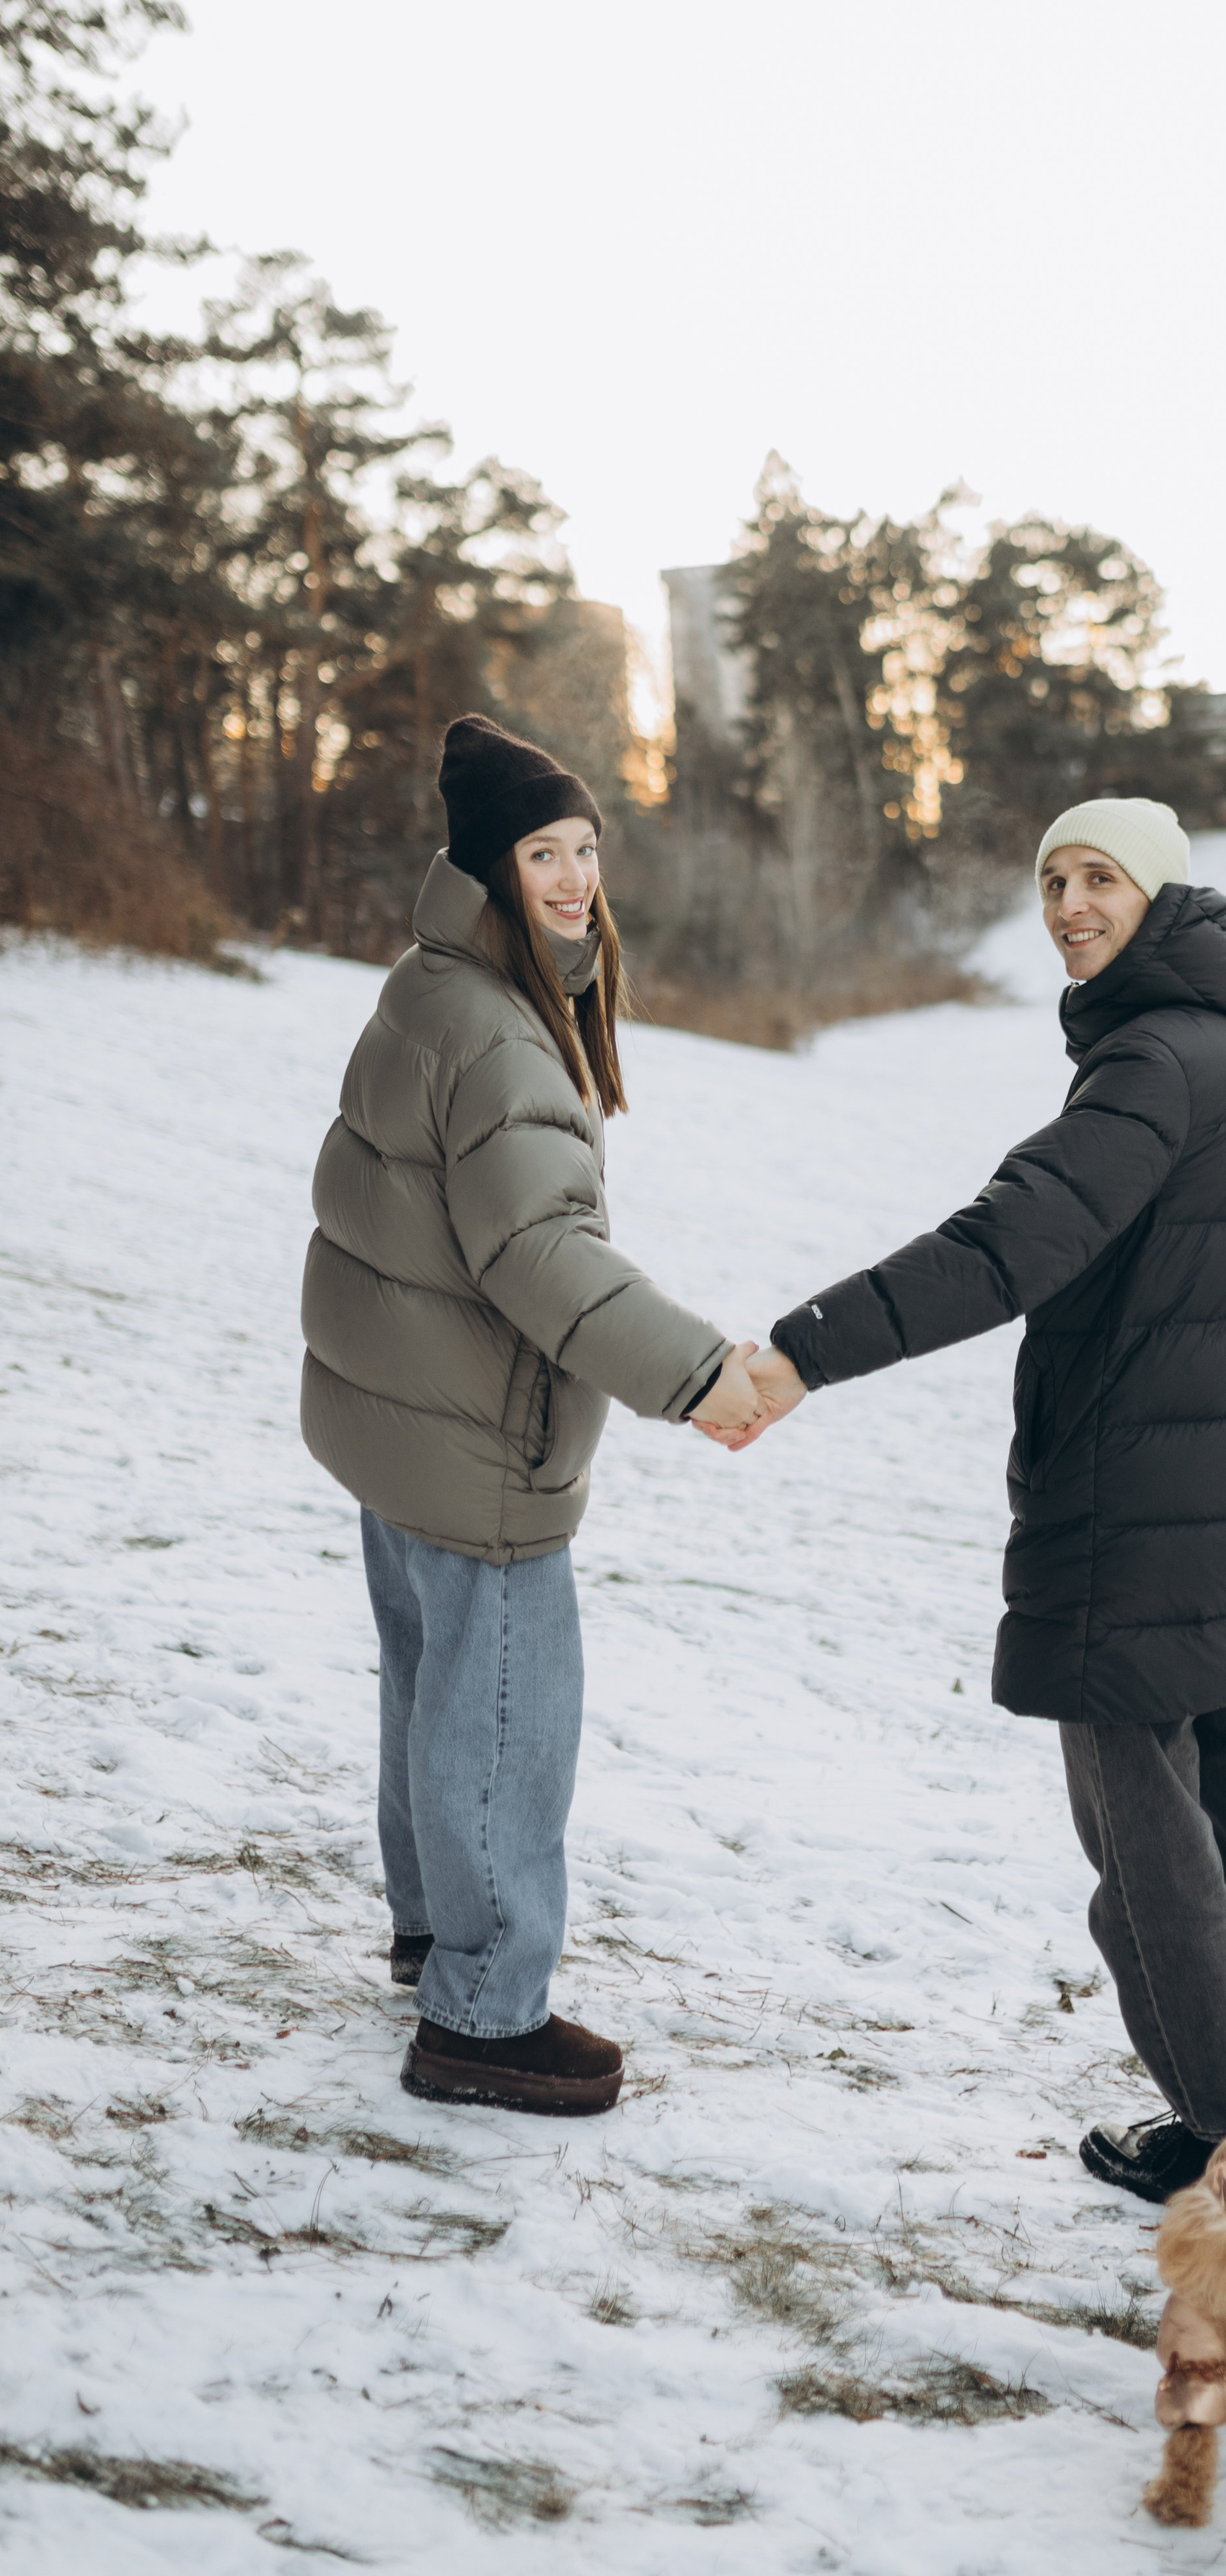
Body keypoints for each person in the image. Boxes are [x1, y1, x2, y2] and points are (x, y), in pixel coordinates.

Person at [736, 797, 1226, 2201]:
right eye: (1051, 880)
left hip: (1132, 1529)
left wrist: (801, 1352)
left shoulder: (1147, 1066)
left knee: (1150, 1862)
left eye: (1099, 879)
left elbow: (1004, 1241)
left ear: (1161, 893)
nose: (1068, 904)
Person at [300, 713, 762, 2117]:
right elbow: (539, 1253)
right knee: (503, 1713)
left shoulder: (436, 981)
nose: (573, 879)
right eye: (544, 851)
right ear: (488, 865)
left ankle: (436, 1931)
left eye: (584, 850)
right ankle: (484, 2012)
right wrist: (699, 1373)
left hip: (404, 1424)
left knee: (433, 1689)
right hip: (474, 1436)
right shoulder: (498, 1031)